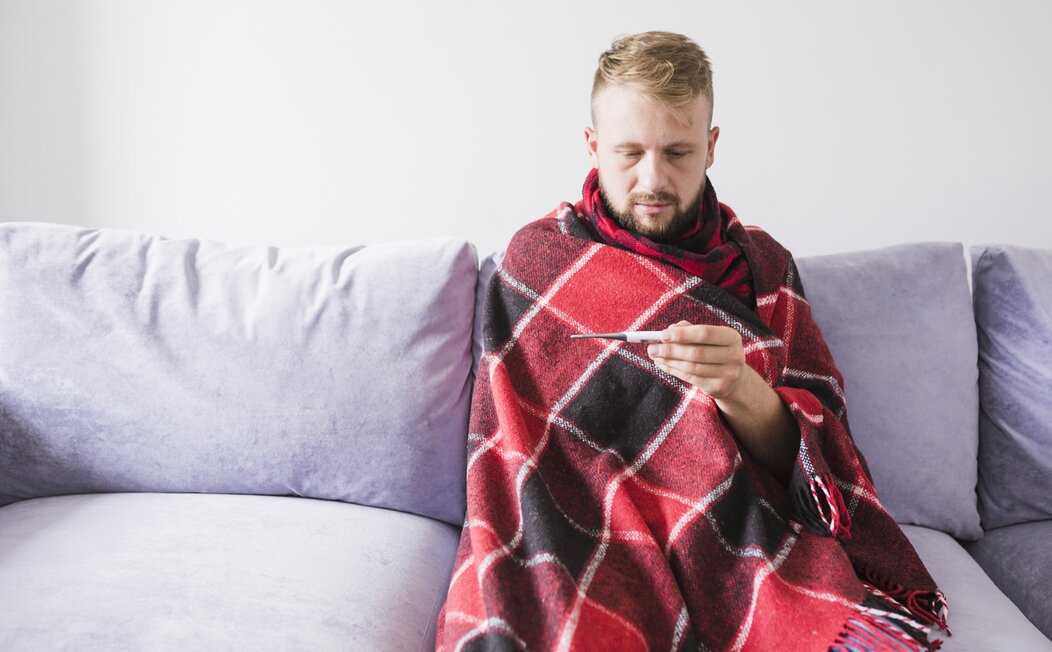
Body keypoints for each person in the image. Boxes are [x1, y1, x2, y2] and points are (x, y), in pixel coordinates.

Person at [437, 32, 948, 651]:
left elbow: (817, 463)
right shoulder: (540, 262)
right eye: (629, 152)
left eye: (677, 152)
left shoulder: (765, 267)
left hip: (736, 533)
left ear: (711, 147)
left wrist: (740, 387)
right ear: (593, 146)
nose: (653, 180)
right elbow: (517, 450)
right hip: (579, 530)